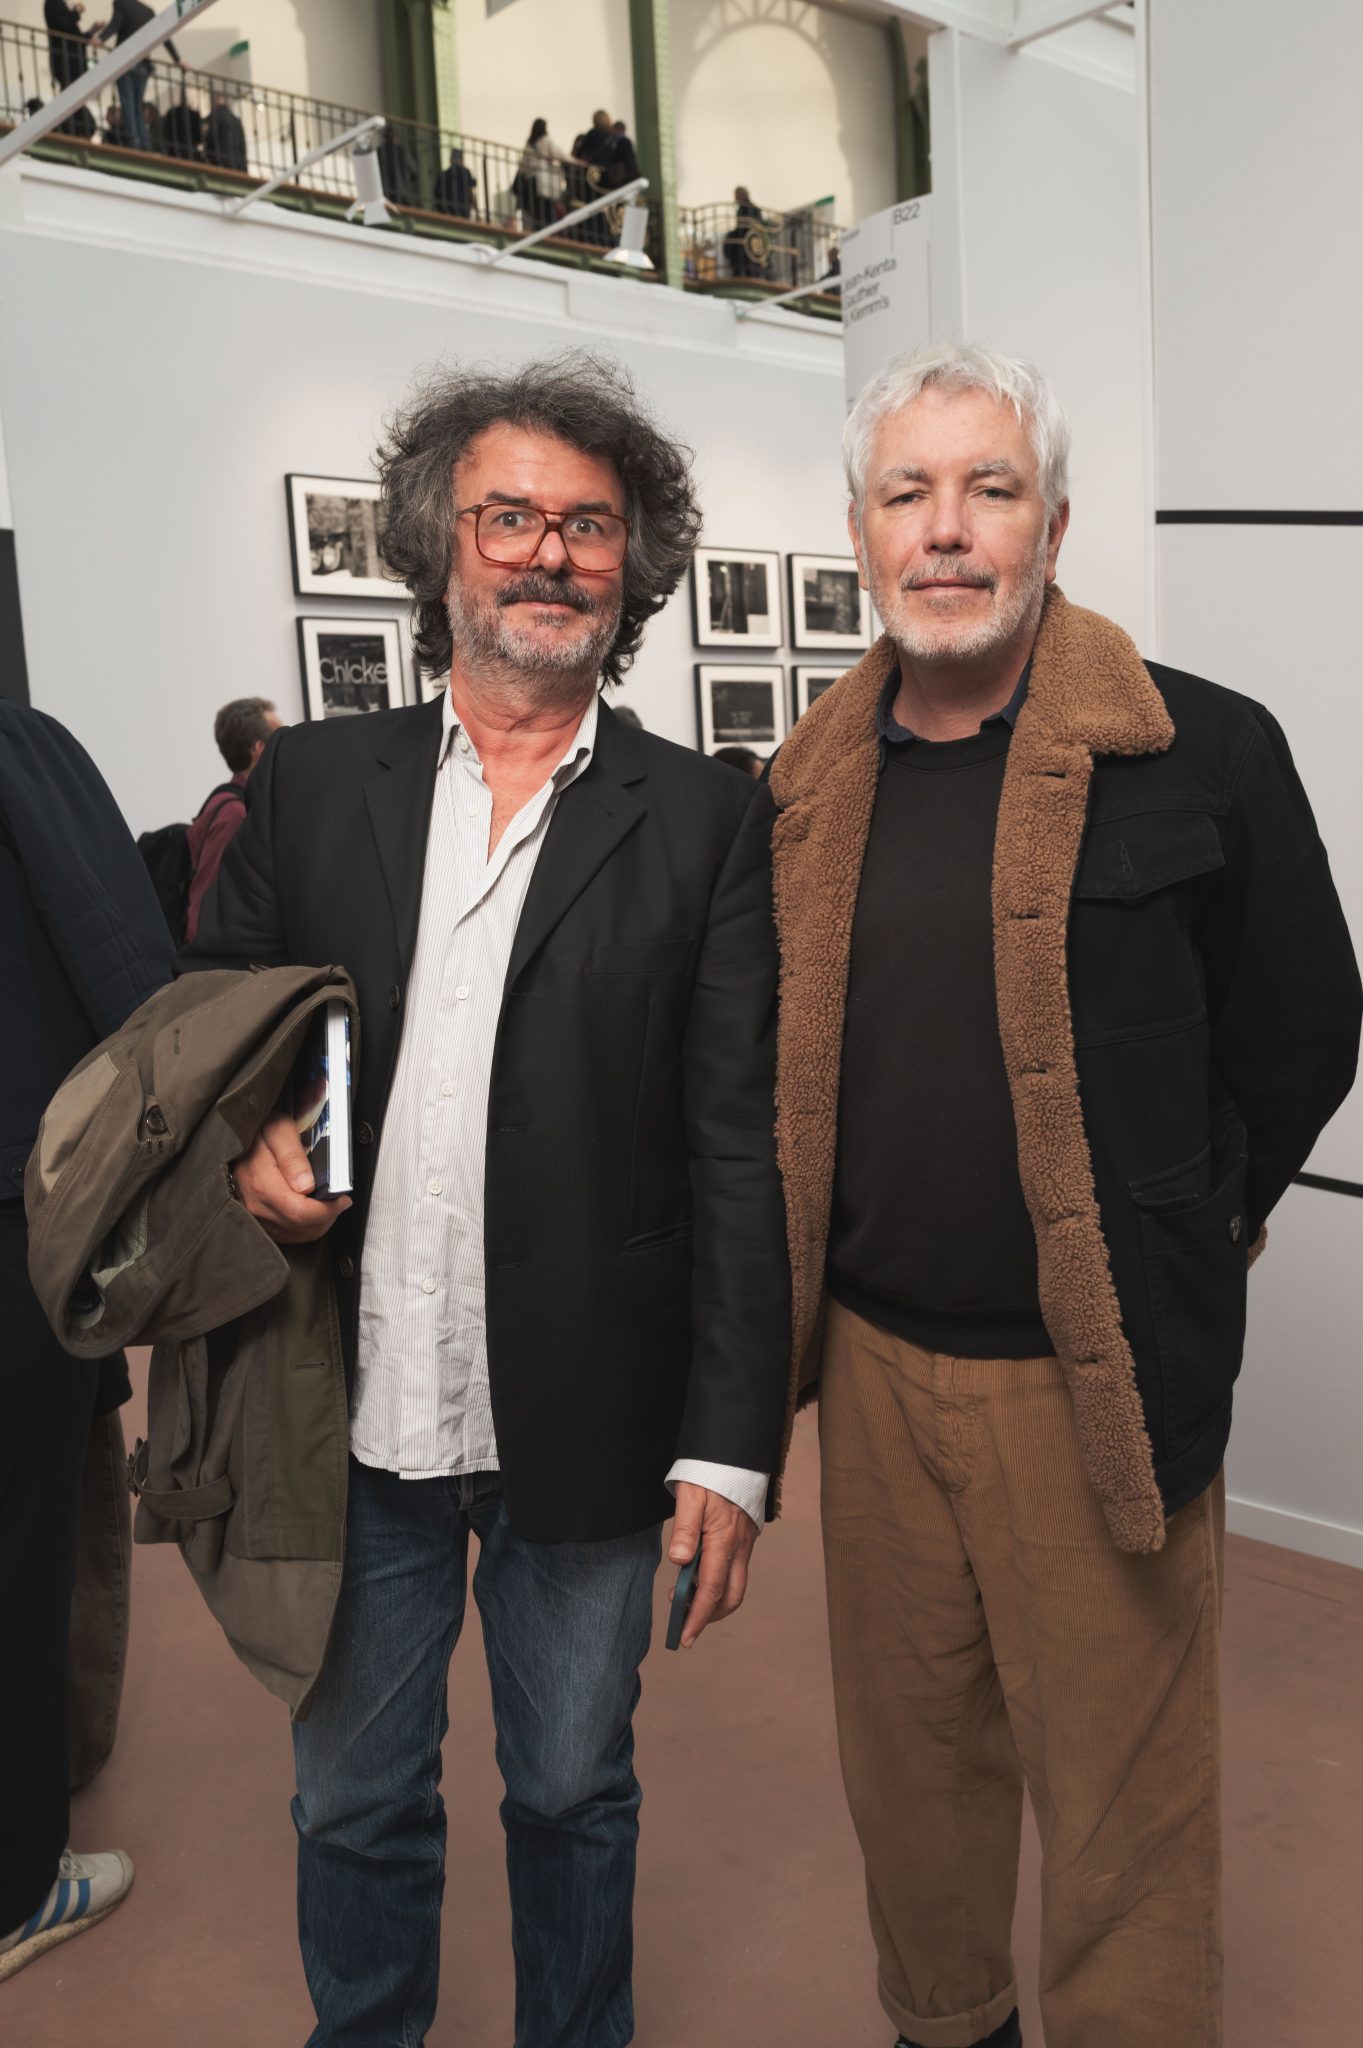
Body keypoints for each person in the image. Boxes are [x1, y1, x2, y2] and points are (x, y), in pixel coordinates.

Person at [181, 353, 791, 2048]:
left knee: (573, 1790)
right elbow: (222, 1010)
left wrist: (729, 1442)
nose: (546, 552)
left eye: (587, 525)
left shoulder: (701, 821)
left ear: (634, 562)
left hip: (589, 1427)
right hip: (352, 1398)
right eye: (507, 514)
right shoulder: (316, 786)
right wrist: (265, 1136)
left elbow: (736, 1140)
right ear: (439, 546)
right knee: (352, 1803)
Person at [766, 339, 1361, 2048]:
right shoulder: (803, 787)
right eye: (906, 492)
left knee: (1121, 1815)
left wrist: (1180, 1228)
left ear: (1054, 524)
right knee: (911, 1780)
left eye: (988, 488)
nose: (944, 530)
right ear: (860, 532)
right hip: (870, 1377)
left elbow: (1301, 1027)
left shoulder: (1200, 750)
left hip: (1091, 1380)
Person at [0, 703, 175, 1983]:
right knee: (22, 1542)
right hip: (16, 1215)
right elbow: (131, 977)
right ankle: (17, 1882)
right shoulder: (16, 745)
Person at [184, 697, 281, 945]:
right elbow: (204, 900)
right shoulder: (235, 814)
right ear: (260, 748)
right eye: (279, 739)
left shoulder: (231, 802)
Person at [96, 0, 183, 154]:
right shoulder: (148, 11)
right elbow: (164, 36)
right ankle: (144, 143)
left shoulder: (121, 4)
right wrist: (178, 60)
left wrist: (100, 38)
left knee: (128, 103)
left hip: (126, 62)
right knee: (137, 105)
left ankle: (133, 141)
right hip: (143, 65)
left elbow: (115, 24)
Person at [517, 116, 566, 230]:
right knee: (546, 209)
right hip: (542, 181)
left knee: (536, 211)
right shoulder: (545, 141)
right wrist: (575, 161)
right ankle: (548, 232)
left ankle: (538, 229)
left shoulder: (529, 144)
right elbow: (559, 154)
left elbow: (522, 165)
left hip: (530, 181)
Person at [43, 0, 101, 95]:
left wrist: (91, 31)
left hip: (72, 61)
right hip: (65, 61)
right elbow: (62, 24)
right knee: (69, 94)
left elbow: (74, 37)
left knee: (76, 95)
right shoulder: (52, 2)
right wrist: (76, 11)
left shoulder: (60, 5)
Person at [725, 185, 768, 281]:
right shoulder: (747, 207)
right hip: (748, 240)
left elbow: (750, 225)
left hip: (748, 240)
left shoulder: (747, 208)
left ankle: (741, 272)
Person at [203, 89, 247, 173]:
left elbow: (211, 137)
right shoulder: (236, 120)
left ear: (215, 100)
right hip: (237, 164)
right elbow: (242, 145)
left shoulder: (214, 117)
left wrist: (207, 156)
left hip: (220, 162)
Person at [433, 144, 476, 219]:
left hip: (446, 213)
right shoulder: (465, 172)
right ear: (461, 160)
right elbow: (469, 192)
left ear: (451, 159)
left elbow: (437, 195)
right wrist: (476, 210)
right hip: (463, 212)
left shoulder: (443, 175)